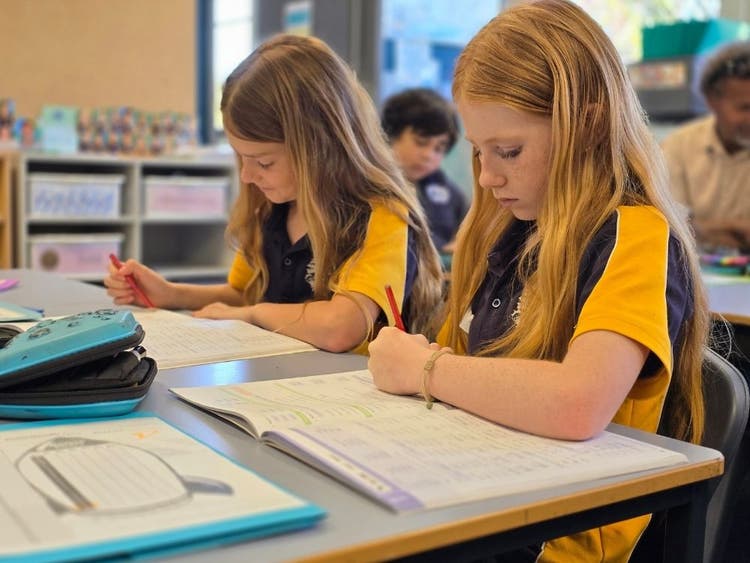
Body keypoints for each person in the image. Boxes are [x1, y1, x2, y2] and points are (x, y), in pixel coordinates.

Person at [367, 0, 709, 560]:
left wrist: (425, 368)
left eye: (508, 151)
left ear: (589, 124)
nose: (486, 175)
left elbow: (577, 404)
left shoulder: (634, 235)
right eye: (478, 151)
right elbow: (461, 365)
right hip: (480, 499)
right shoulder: (508, 228)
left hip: (553, 536)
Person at [104, 34, 444, 354]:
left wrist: (253, 315)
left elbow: (343, 326)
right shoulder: (273, 207)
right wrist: (172, 294)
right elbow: (242, 295)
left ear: (320, 148)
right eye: (241, 158)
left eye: (263, 162)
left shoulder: (380, 216)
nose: (247, 175)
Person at [661, 41, 750, 253]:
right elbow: (669, 227)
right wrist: (737, 228)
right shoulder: (678, 148)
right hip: (691, 270)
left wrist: (703, 227)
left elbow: (689, 227)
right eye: (745, 107)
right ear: (712, 101)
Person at [381, 88, 467, 253]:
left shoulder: (448, 192)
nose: (428, 155)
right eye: (421, 142)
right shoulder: (369, 185)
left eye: (439, 148)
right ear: (391, 134)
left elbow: (464, 234)